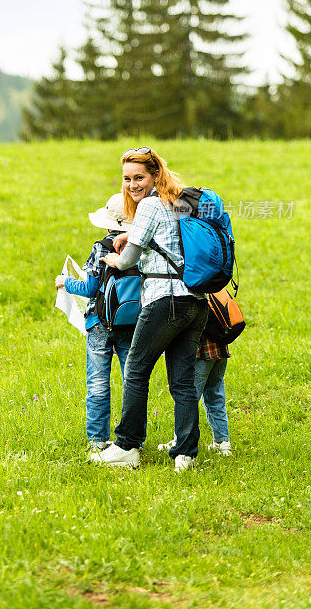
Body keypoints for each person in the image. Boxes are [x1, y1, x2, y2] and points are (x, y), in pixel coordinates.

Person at [92, 147, 209, 473]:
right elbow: (168, 237)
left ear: (155, 174)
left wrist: (114, 259)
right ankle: (186, 455)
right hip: (196, 303)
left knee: (136, 371)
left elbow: (129, 259)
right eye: (127, 178)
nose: (132, 184)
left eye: (139, 177)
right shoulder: (181, 202)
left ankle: (127, 446)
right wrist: (133, 234)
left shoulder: (149, 205)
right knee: (183, 381)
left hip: (164, 301)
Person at [54, 194, 141, 458]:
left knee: (98, 383)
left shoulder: (102, 247)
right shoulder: (143, 246)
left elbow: (92, 288)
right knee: (133, 382)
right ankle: (133, 439)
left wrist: (65, 282)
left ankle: (98, 440)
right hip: (133, 323)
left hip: (100, 323)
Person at [158, 335, 232, 456]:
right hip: (220, 350)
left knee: (187, 399)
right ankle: (222, 442)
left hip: (201, 352)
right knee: (215, 396)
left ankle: (180, 441)